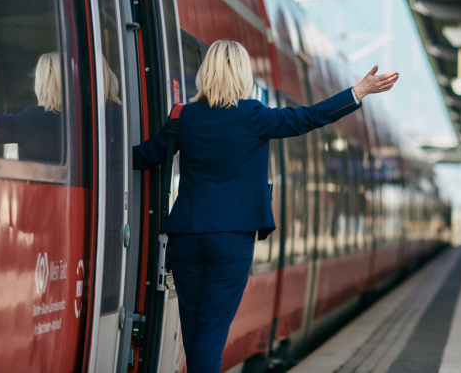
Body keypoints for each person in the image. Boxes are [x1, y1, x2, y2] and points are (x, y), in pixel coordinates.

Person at [133, 40, 398, 372]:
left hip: (186, 236)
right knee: (212, 331)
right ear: (243, 74)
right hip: (231, 239)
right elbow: (309, 117)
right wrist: (357, 92)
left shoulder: (183, 117)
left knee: (195, 330)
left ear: (206, 73)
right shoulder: (252, 115)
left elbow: (145, 156)